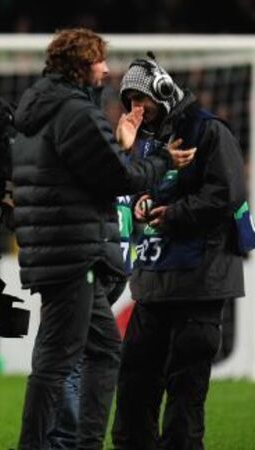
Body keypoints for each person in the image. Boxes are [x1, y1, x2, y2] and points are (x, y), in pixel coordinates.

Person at [10, 28, 180, 450]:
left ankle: (82, 444)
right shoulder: (75, 112)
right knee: (58, 362)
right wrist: (162, 160)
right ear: (82, 65)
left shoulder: (38, 110)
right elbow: (118, 178)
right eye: (100, 61)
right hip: (74, 254)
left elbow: (86, 172)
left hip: (54, 249)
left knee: (101, 351)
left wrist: (120, 146)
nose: (106, 69)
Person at [111, 54, 247, 450]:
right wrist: (142, 202)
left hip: (201, 278)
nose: (137, 109)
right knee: (135, 379)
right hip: (155, 279)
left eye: (142, 99)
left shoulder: (209, 131)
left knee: (185, 388)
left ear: (163, 90)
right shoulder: (145, 140)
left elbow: (227, 193)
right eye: (130, 102)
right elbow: (140, 187)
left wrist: (173, 215)